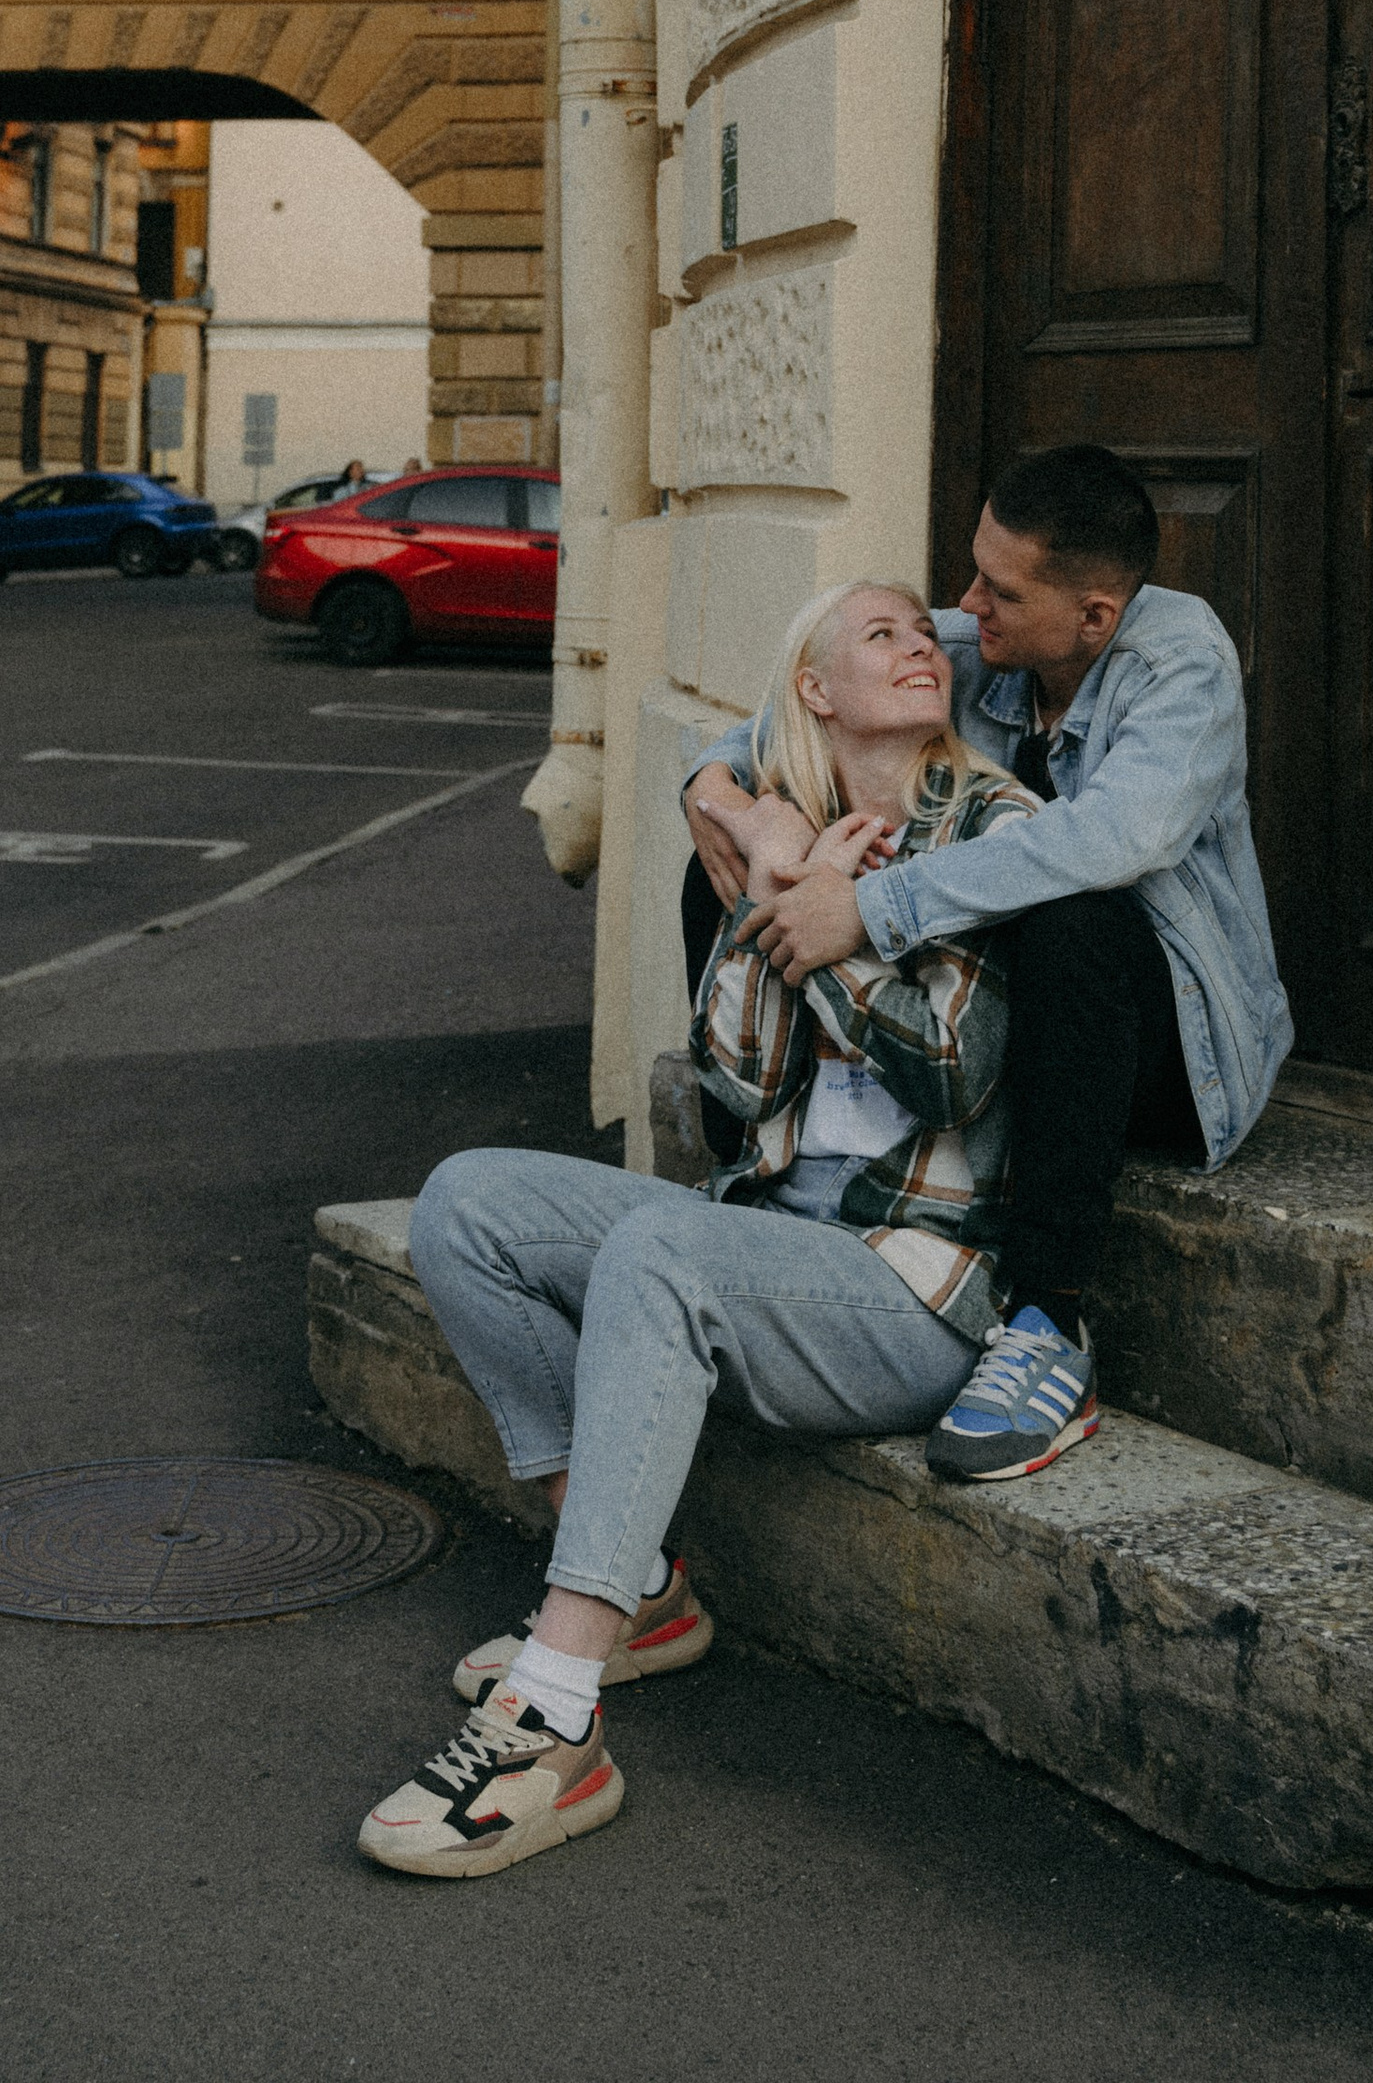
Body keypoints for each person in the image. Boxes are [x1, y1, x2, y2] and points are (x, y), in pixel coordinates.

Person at [357, 579, 1035, 1881]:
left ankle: (555, 1718)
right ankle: (643, 1594)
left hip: (910, 1288)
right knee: (467, 1204)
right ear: (815, 691)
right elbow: (736, 1082)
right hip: (766, 1236)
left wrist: (839, 933)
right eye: (880, 631)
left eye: (922, 629)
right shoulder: (773, 829)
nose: (918, 644)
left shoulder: (992, 826)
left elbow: (958, 1073)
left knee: (659, 1255)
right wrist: (777, 883)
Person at [682, 443, 1290, 1488]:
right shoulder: (977, 640)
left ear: (1093, 616)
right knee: (731, 870)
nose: (962, 607)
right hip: (998, 1026)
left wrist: (867, 911)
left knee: (1070, 914)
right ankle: (743, 1170)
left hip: (1161, 1048)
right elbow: (782, 715)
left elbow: (1109, 840)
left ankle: (1049, 1321)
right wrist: (722, 797)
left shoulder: (1180, 663)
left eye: (997, 591)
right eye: (973, 573)